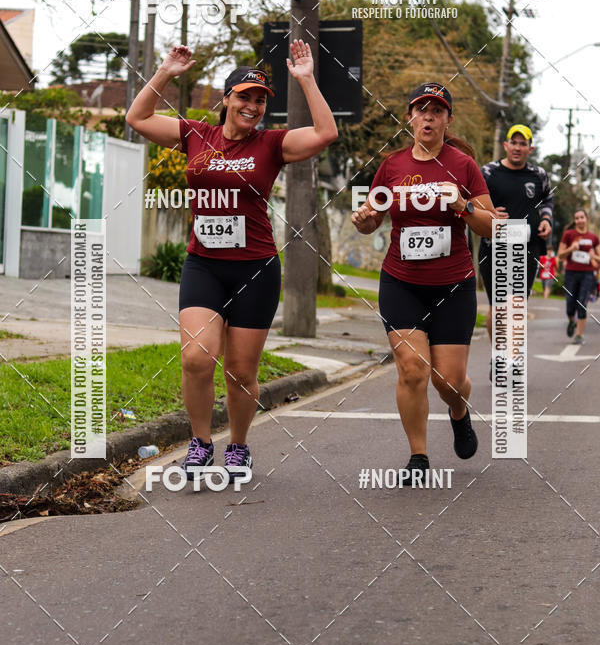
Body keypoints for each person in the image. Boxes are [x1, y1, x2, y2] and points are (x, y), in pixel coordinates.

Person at [126, 40, 337, 482]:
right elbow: (137, 118)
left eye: (260, 100)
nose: (253, 105)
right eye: (244, 96)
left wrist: (306, 79)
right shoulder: (194, 135)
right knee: (197, 359)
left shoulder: (272, 144)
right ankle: (201, 443)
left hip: (255, 268)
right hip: (204, 265)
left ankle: (238, 446)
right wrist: (165, 71)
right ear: (226, 99)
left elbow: (325, 133)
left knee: (241, 371)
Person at [352, 82, 496, 485]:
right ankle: (418, 456)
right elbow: (371, 217)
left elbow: (493, 227)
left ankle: (458, 410)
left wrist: (463, 205)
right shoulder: (392, 166)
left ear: (448, 120)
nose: (428, 117)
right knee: (412, 369)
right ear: (410, 117)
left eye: (437, 111)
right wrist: (364, 221)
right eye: (421, 110)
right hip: (402, 282)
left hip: (453, 285)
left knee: (447, 381)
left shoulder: (464, 165)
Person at [477, 124, 553, 376]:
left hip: (527, 247)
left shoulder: (539, 174)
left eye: (523, 144)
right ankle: (498, 355)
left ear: (530, 149)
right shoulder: (488, 172)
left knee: (518, 305)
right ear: (506, 145)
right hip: (494, 247)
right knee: (499, 307)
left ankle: (514, 358)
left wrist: (546, 220)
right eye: (514, 142)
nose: (518, 148)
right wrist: (489, 212)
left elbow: (547, 200)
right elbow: (471, 201)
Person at [557, 209, 600, 344]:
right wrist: (571, 249)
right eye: (577, 218)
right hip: (571, 274)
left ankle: (579, 335)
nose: (580, 220)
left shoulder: (593, 238)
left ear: (586, 218)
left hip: (588, 274)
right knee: (570, 305)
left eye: (582, 217)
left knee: (582, 304)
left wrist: (594, 257)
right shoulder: (569, 235)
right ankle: (571, 321)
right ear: (575, 221)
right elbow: (560, 255)